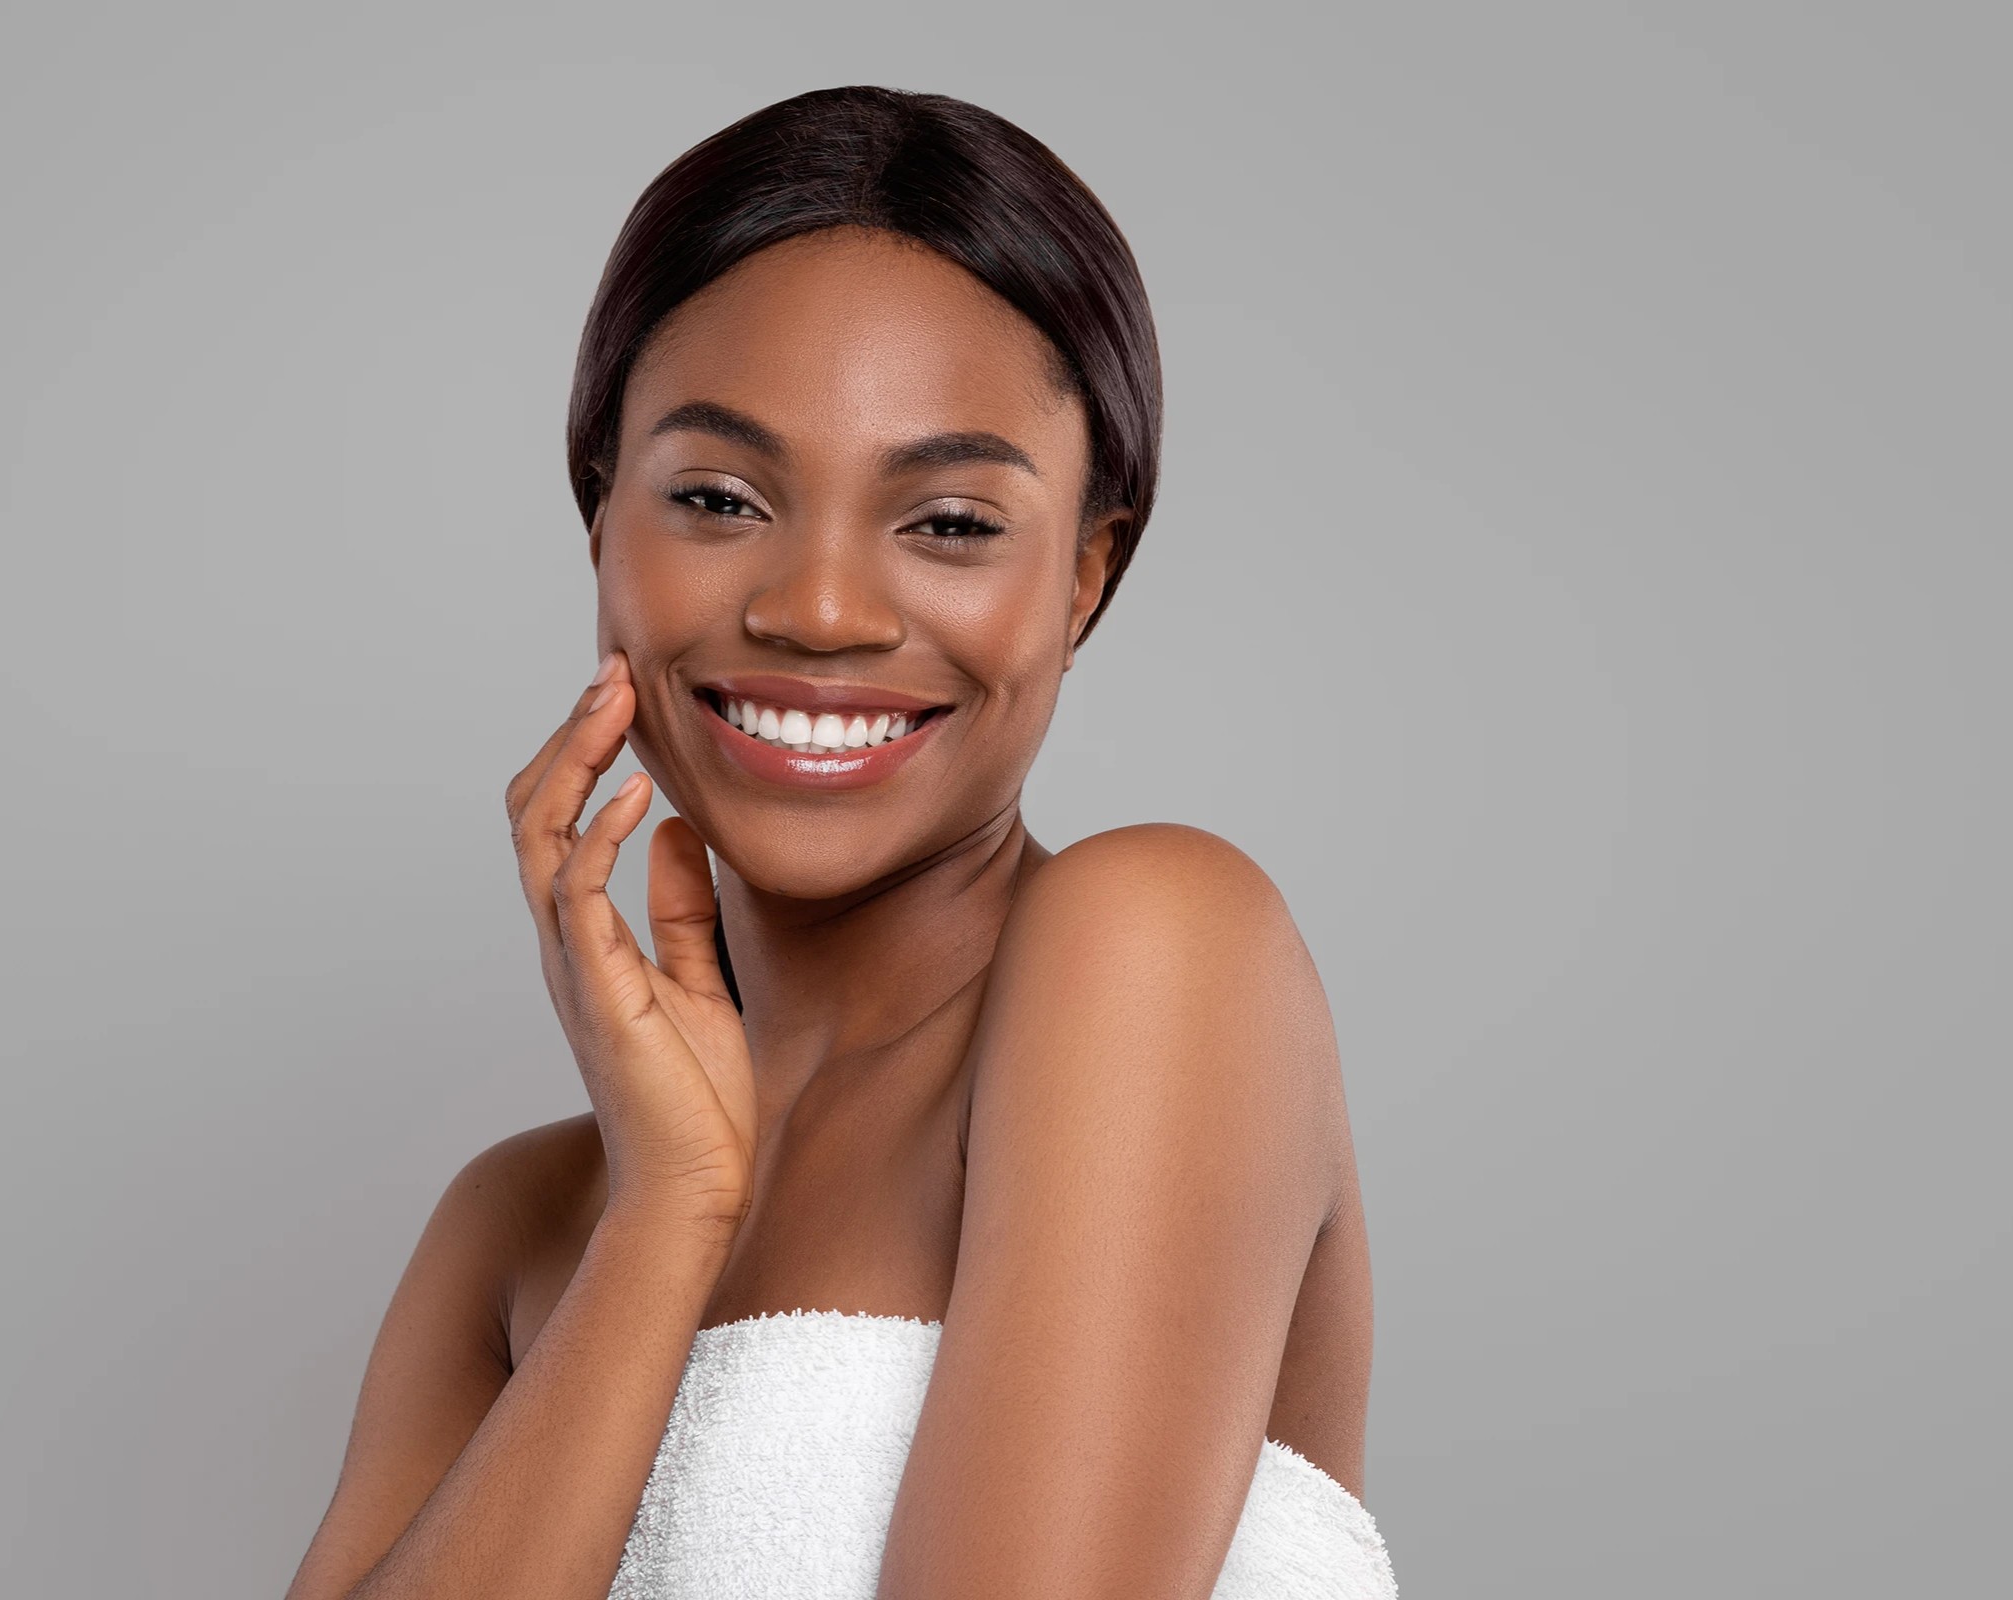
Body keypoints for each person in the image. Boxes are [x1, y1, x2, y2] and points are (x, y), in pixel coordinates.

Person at [286, 86, 1396, 1600]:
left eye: (947, 522)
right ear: (601, 524)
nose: (817, 610)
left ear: (1084, 574)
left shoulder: (1161, 948)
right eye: (718, 497)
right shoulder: (519, 1225)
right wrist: (669, 1215)